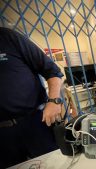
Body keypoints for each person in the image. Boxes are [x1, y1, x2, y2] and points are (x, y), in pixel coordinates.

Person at [0, 27, 64, 168]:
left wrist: (54, 101)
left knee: (55, 164)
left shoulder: (7, 37)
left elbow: (52, 71)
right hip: (2, 136)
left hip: (35, 122)